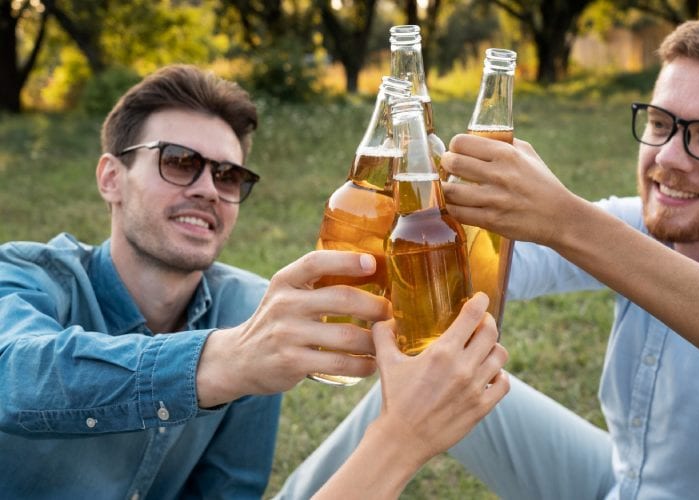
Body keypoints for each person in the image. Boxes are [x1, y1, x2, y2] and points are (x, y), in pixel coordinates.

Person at [276, 18, 699, 499]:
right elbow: (492, 266)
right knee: (423, 394)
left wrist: (569, 221)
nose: (667, 158)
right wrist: (405, 226)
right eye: (661, 125)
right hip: (618, 484)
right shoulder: (645, 227)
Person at [0, 64, 509, 498]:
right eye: (179, 162)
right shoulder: (24, 274)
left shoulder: (250, 307)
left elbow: (229, 490)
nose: (208, 189)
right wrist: (227, 359)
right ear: (111, 177)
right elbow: (17, 376)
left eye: (228, 176)